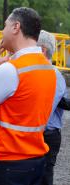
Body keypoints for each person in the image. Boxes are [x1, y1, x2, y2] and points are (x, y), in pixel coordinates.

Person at [0, 7, 57, 185]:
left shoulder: (11, 69)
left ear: (16, 27)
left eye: (5, 26)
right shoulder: (49, 69)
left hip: (8, 164)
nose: (2, 31)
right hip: (36, 161)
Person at [37, 30, 66, 185]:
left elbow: (44, 110)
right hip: (42, 132)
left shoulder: (53, 75)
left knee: (44, 176)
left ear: (42, 50)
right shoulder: (41, 73)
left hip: (46, 134)